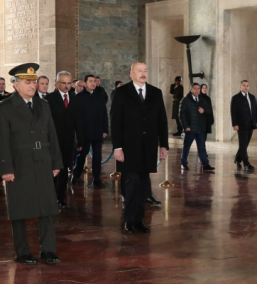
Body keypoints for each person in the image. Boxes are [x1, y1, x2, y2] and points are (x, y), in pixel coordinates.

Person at [0, 63, 63, 265]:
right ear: (15, 85)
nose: (32, 85)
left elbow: (52, 135)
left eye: (34, 81)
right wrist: (6, 169)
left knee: (47, 208)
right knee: (19, 209)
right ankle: (22, 252)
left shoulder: (44, 105)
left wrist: (56, 161)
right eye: (27, 82)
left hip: (42, 162)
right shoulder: (4, 108)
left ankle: (48, 250)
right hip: (19, 164)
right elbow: (2, 141)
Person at [112, 62, 169, 233]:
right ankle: (129, 220)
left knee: (143, 184)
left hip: (149, 147)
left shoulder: (155, 93)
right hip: (129, 147)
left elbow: (162, 121)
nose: (143, 74)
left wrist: (164, 144)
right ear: (131, 74)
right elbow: (116, 121)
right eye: (139, 71)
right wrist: (117, 147)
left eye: (145, 70)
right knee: (132, 183)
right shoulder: (122, 93)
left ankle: (139, 221)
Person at [45, 71, 84, 209]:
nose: (67, 86)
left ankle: (60, 199)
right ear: (56, 83)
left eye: (69, 83)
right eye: (64, 83)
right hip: (52, 142)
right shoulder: (49, 99)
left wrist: (80, 140)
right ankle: (49, 198)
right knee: (52, 171)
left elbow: (79, 121)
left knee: (64, 170)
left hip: (68, 142)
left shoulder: (75, 99)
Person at [72, 74, 108, 187]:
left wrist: (105, 129)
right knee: (82, 155)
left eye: (94, 81)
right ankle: (76, 175)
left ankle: (96, 178)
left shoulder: (99, 96)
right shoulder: (79, 97)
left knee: (97, 157)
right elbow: (76, 117)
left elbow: (104, 115)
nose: (93, 83)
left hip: (97, 132)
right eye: (90, 81)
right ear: (85, 83)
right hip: (84, 133)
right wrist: (76, 133)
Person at [179, 83, 214, 171]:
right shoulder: (185, 100)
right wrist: (186, 126)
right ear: (191, 89)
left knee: (202, 147)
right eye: (195, 88)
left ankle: (205, 164)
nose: (197, 90)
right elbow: (181, 114)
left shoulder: (202, 100)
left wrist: (204, 111)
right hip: (190, 129)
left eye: (198, 88)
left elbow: (209, 111)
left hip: (200, 129)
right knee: (186, 146)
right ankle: (184, 163)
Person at [230, 80, 257, 171]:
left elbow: (255, 111)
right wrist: (235, 124)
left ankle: (237, 158)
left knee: (245, 144)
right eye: (244, 85)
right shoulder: (235, 98)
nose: (246, 87)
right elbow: (233, 113)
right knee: (243, 145)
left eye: (247, 85)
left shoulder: (252, 97)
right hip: (241, 125)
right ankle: (246, 164)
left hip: (251, 125)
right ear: (240, 87)